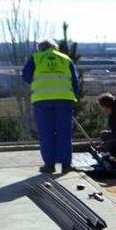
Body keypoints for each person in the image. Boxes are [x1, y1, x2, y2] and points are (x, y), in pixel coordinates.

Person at [22, 39, 79, 173]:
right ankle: (66, 165)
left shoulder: (36, 58)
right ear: (55, 48)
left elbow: (26, 77)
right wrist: (73, 98)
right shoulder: (65, 59)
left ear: (40, 48)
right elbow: (75, 81)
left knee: (46, 133)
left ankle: (49, 165)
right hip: (64, 100)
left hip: (42, 100)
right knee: (64, 133)